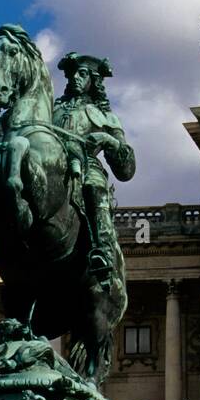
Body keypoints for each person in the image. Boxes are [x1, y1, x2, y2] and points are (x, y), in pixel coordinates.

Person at [53, 53, 136, 283]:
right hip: (50, 168)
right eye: (72, 74)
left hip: (88, 167)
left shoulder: (106, 117)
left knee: (94, 187)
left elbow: (127, 169)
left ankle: (103, 251)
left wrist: (109, 140)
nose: (75, 78)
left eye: (82, 74)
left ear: (94, 80)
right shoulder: (51, 111)